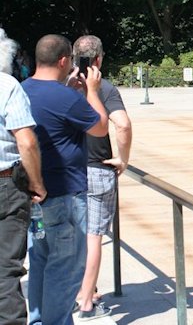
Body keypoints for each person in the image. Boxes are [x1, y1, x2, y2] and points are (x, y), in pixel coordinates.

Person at [22, 34, 109, 325]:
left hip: (33, 196)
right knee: (66, 269)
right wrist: (92, 91)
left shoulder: (21, 90)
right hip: (66, 196)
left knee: (40, 264)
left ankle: (36, 320)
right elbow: (99, 128)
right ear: (63, 61)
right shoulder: (67, 97)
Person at [73, 35, 132, 321]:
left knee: (75, 234)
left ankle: (79, 291)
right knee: (94, 235)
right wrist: (123, 158)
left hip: (68, 170)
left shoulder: (64, 85)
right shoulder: (105, 88)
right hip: (97, 167)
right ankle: (87, 300)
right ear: (99, 59)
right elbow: (122, 124)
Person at [0, 30, 46, 325]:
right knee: (5, 270)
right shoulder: (7, 86)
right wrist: (37, 183)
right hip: (6, 184)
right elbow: (26, 142)